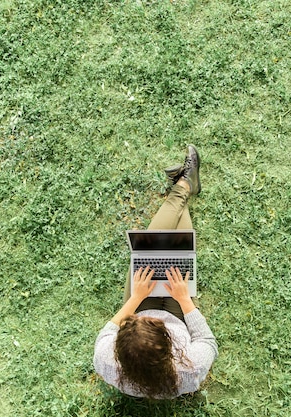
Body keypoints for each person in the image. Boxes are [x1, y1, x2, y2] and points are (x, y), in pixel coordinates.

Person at [93, 145, 218, 399]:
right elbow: (207, 341)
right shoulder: (189, 371)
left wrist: (136, 299)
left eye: (133, 325)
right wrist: (184, 300)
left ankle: (183, 185)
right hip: (178, 313)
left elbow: (109, 329)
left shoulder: (105, 360)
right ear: (170, 348)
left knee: (151, 249)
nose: (156, 319)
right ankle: (184, 186)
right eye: (159, 327)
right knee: (176, 249)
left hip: (140, 301)